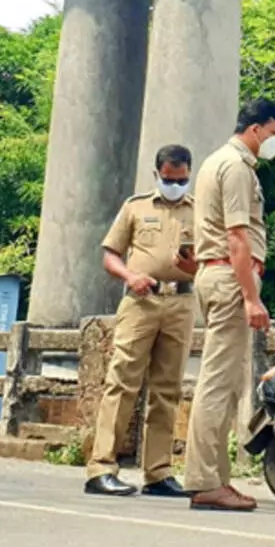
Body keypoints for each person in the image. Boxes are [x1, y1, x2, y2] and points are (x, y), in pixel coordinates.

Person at [182, 98, 275, 512]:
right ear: (257, 128)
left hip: (216, 275)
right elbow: (237, 237)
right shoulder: (238, 167)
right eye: (274, 133)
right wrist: (251, 297)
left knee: (224, 386)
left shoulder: (214, 162)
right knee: (217, 383)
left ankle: (217, 478)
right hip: (230, 277)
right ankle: (206, 480)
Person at [84, 144, 199, 497]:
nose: (175, 185)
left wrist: (193, 266)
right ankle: (101, 467)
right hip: (141, 301)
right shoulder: (136, 207)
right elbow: (110, 255)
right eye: (168, 179)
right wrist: (130, 277)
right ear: (157, 174)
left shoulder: (200, 211)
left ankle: (158, 472)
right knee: (122, 383)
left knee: (168, 389)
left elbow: (210, 261)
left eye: (181, 179)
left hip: (181, 301)